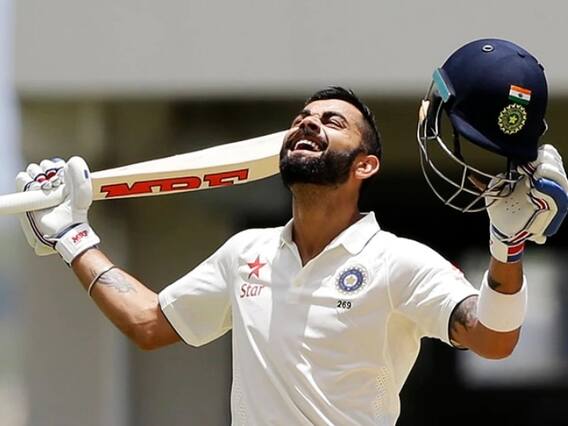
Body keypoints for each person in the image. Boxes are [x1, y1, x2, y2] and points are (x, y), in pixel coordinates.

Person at [15, 41, 568, 425]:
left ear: (366, 165)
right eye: (304, 118)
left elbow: (493, 339)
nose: (309, 123)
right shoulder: (246, 253)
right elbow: (149, 322)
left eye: (332, 122)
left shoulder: (398, 261)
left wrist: (507, 250)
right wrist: (72, 236)